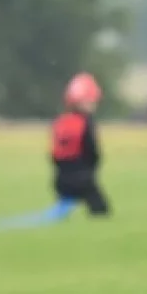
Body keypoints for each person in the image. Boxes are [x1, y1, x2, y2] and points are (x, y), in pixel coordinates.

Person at [50, 72, 110, 216]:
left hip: (60, 180)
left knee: (62, 212)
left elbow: (55, 154)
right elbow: (92, 151)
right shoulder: (85, 123)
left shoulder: (61, 122)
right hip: (82, 178)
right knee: (101, 211)